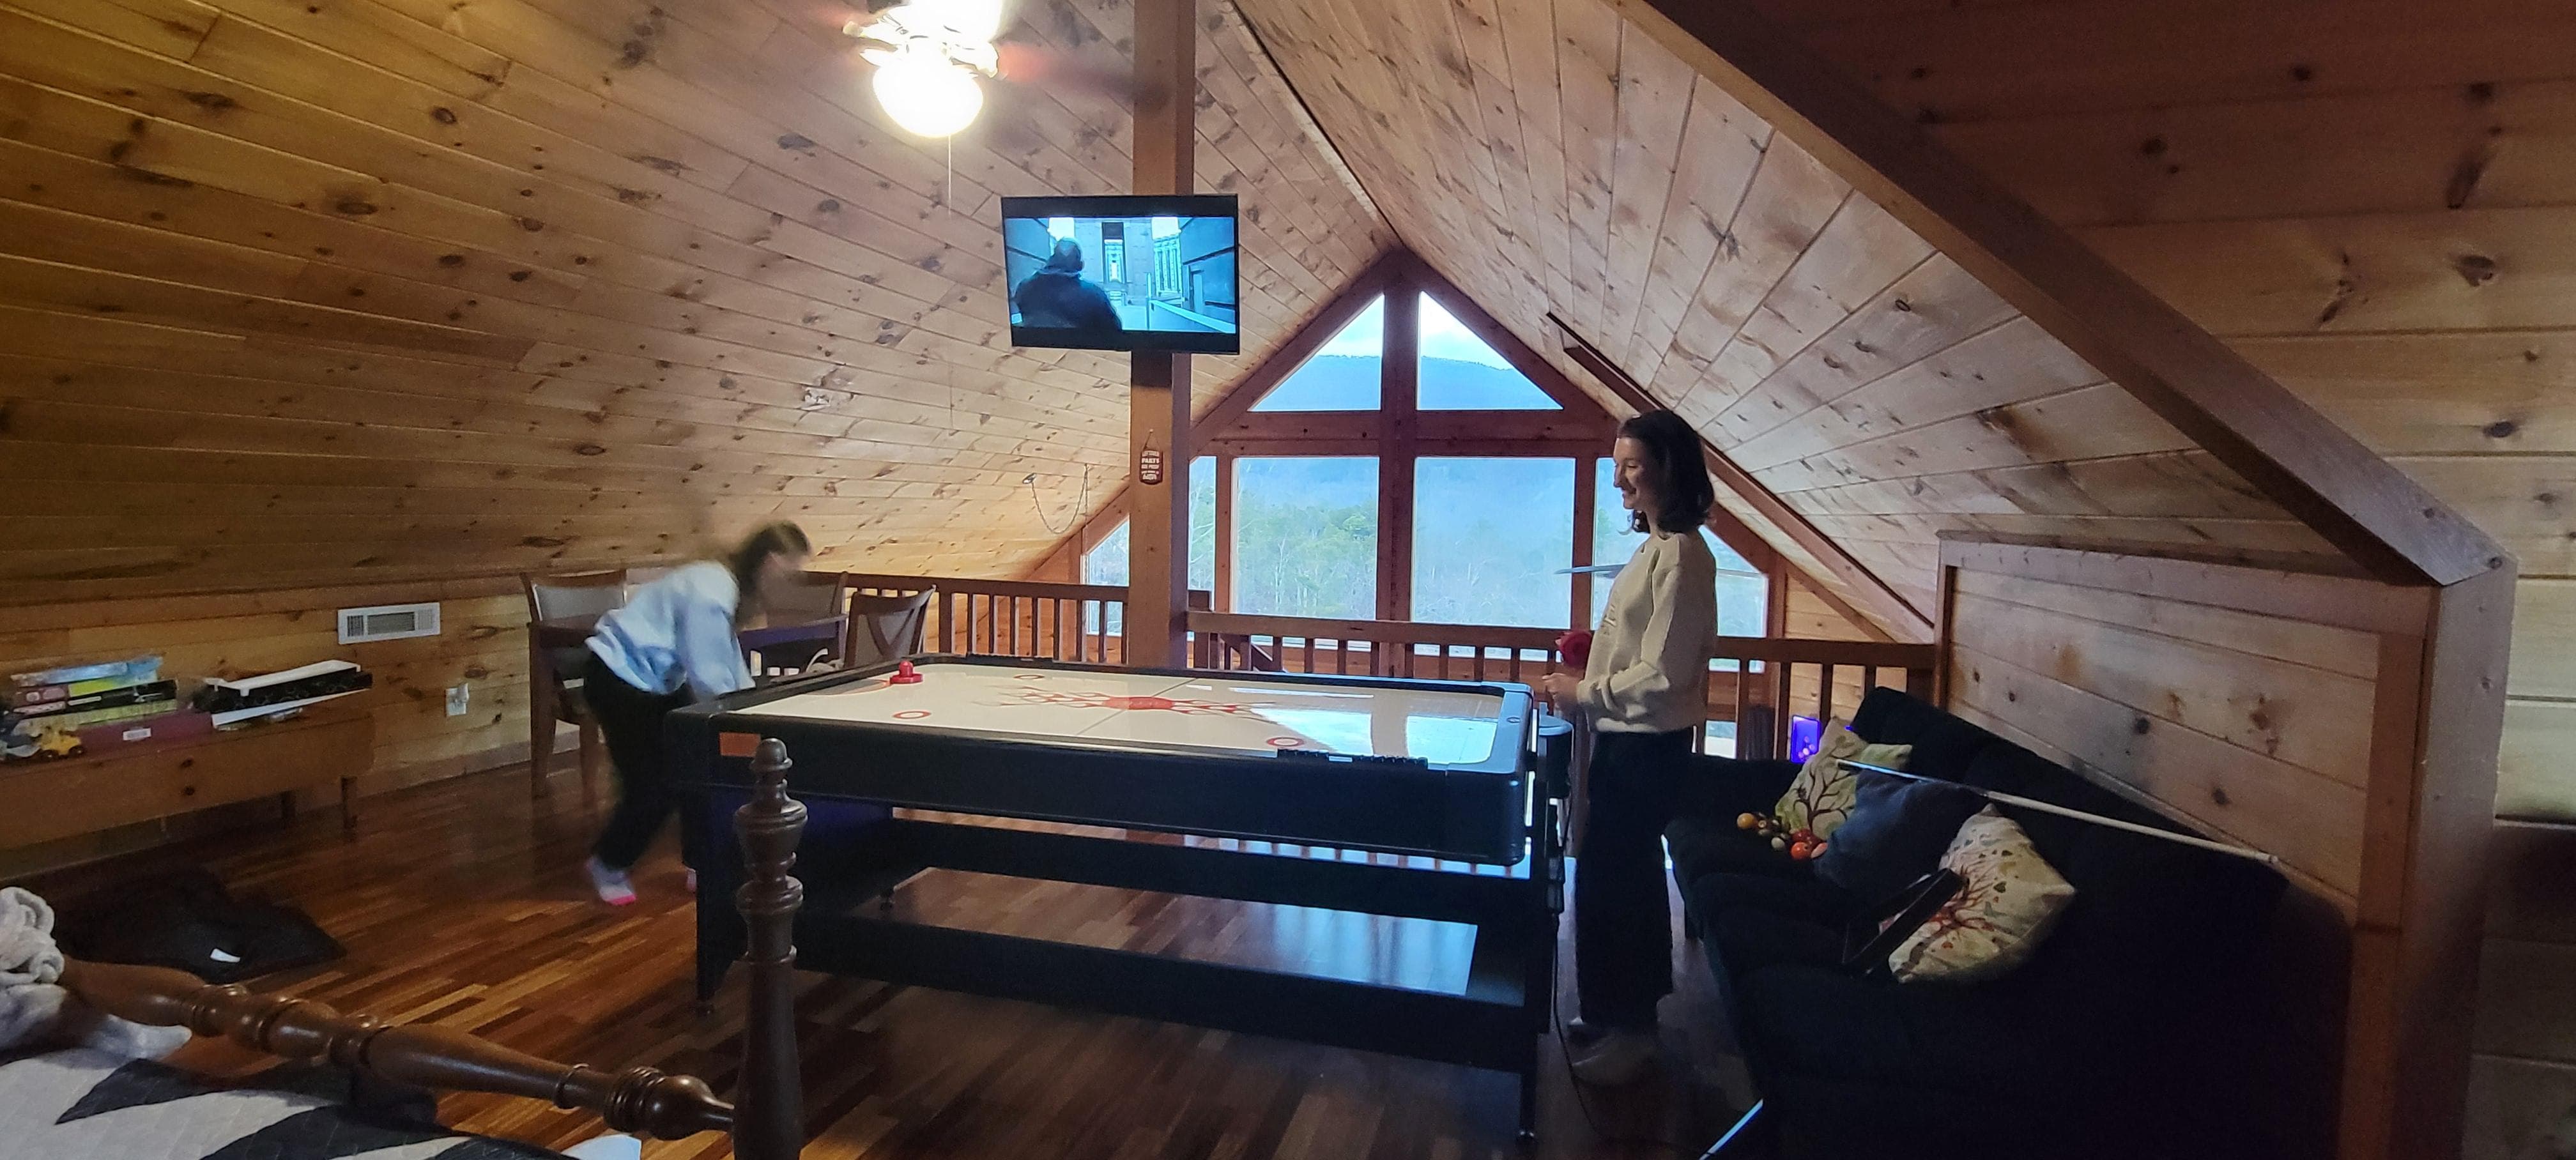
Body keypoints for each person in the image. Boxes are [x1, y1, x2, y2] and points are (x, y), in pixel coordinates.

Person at [1538, 410, 1718, 1086]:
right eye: (1616, 466)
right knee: (1605, 877)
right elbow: (1640, 645)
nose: (1618, 480)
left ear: (1669, 468)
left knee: (1627, 884)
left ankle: (1635, 1030)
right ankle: (1610, 1012)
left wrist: (1585, 691)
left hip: (1648, 748)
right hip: (1626, 743)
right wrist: (1596, 655)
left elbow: (1664, 674)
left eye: (1632, 466)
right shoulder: (1657, 548)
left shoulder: (1685, 558)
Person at [581, 522, 813, 906]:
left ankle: (700, 863)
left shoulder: (725, 585)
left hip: (656, 680)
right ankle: (607, 864)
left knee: (695, 770)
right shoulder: (712, 590)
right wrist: (746, 719)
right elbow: (708, 675)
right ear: (771, 563)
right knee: (654, 786)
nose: (792, 582)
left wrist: (755, 703)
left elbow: (727, 658)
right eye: (791, 572)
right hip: (617, 677)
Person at [1012, 238, 1123, 332]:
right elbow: (1115, 330)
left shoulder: (1024, 287)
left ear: (1051, 259)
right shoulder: (1094, 295)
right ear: (1080, 265)